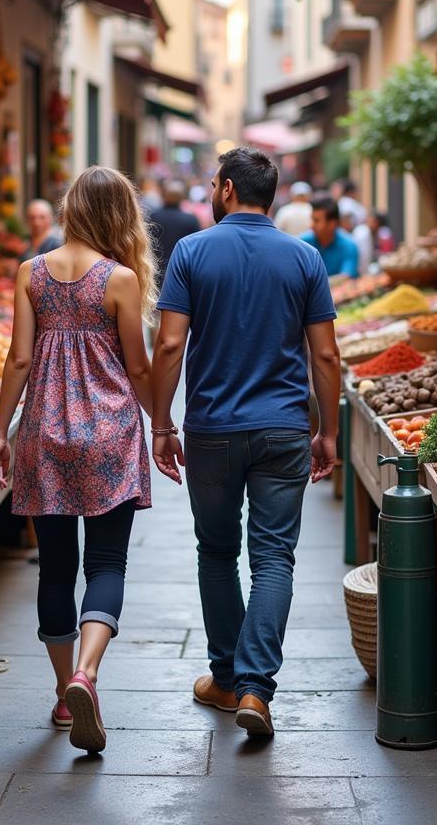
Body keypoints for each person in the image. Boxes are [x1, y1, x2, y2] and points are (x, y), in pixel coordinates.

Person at [151, 147, 341, 739]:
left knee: (216, 551)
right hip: (284, 428)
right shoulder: (304, 257)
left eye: (213, 183)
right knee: (273, 558)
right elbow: (326, 354)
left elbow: (169, 346)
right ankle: (257, 691)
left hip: (211, 429)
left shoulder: (190, 252)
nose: (210, 191)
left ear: (228, 189)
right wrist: (328, 431)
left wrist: (161, 423)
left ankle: (229, 679)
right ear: (271, 194)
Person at [0, 167, 157, 755]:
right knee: (107, 561)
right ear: (119, 216)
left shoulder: (31, 273)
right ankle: (88, 672)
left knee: (55, 567)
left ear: (70, 209)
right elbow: (138, 367)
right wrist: (162, 425)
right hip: (109, 433)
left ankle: (64, 693)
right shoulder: (121, 279)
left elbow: (17, 360)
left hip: (44, 434)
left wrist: (1, 434)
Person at [148, 180, 201, 287]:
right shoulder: (190, 220)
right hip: (182, 272)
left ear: (164, 196)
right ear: (181, 198)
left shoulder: (154, 217)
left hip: (157, 271)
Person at [302, 196, 360, 278]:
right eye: (311, 220)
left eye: (316, 221)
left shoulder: (348, 245)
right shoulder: (304, 243)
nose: (311, 225)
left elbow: (346, 277)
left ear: (332, 224)